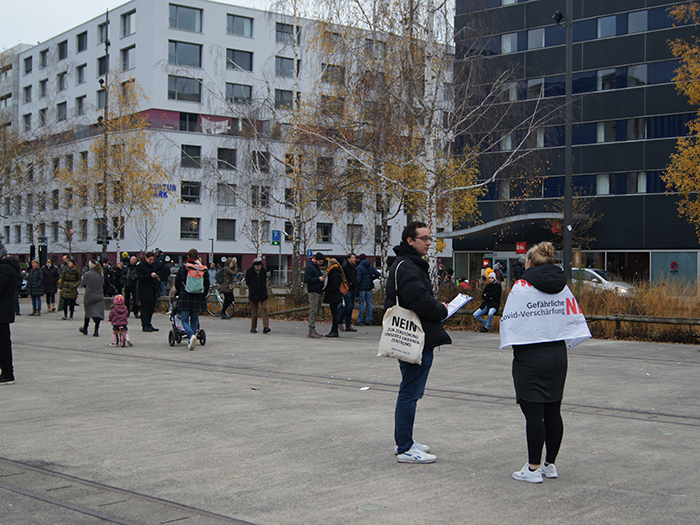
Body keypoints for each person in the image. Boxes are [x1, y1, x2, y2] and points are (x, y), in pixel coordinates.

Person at [506, 242, 573, 483]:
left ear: (530, 263)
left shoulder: (522, 287)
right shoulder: (562, 288)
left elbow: (511, 320)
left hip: (531, 355)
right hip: (557, 354)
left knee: (534, 414)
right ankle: (549, 464)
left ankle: (533, 468)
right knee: (553, 410)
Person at [385, 221, 451, 464]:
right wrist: (442, 309)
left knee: (410, 389)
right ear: (410, 240)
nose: (428, 242)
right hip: (415, 337)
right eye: (424, 238)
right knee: (410, 392)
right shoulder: (408, 267)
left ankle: (404, 440)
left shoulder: (406, 264)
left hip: (415, 336)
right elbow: (420, 303)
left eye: (429, 238)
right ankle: (404, 447)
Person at [173, 248, 209, 350]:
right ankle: (191, 339)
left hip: (186, 296)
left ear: (188, 256)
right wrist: (203, 293)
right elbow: (207, 283)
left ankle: (191, 335)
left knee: (184, 319)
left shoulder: (184, 268)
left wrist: (179, 292)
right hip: (198, 296)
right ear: (198, 257)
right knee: (194, 319)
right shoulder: (202, 269)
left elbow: (177, 281)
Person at [0, 243, 19, 385]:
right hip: (4, 311)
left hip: (2, 312)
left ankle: (7, 373)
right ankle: (7, 372)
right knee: (4, 343)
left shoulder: (4, 269)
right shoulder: (7, 268)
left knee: (4, 344)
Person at [79, 260, 105, 337]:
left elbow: (82, 284)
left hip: (89, 295)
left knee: (88, 312)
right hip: (99, 295)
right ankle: (96, 330)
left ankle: (85, 328)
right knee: (98, 313)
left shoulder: (87, 274)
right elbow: (103, 283)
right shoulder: (100, 274)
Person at [136, 251, 160, 332]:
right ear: (146, 258)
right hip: (144, 290)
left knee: (151, 308)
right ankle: (145, 324)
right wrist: (150, 276)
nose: (151, 261)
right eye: (150, 259)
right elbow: (140, 277)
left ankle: (149, 323)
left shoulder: (153, 265)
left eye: (153, 260)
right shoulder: (140, 266)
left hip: (152, 290)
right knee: (145, 309)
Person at [245, 257, 270, 334]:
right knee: (254, 312)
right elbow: (247, 282)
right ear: (254, 266)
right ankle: (253, 327)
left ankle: (266, 327)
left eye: (260, 265)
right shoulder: (249, 272)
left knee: (264, 309)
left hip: (263, 293)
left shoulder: (264, 270)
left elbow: (264, 280)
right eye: (257, 266)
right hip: (253, 294)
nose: (259, 267)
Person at [304, 252, 326, 338]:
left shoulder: (316, 267)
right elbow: (306, 279)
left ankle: (313, 330)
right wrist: (318, 279)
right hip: (313, 292)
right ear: (316, 260)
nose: (321, 264)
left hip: (318, 291)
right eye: (320, 262)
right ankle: (311, 330)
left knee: (316, 311)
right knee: (313, 311)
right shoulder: (310, 267)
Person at [355, 253, 380, 326]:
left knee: (361, 303)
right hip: (369, 287)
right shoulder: (370, 266)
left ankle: (360, 320)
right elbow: (378, 274)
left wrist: (357, 288)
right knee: (369, 303)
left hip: (362, 288)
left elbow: (358, 279)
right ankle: (369, 320)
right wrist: (371, 279)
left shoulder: (359, 267)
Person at [323, 257, 343, 338]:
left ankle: (334, 331)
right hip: (335, 295)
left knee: (334, 314)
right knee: (335, 313)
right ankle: (334, 330)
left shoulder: (334, 272)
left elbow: (334, 285)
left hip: (333, 295)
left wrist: (328, 290)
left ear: (330, 264)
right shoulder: (336, 271)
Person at [339, 253, 357, 332]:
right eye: (353, 258)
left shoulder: (354, 268)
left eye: (355, 258)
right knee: (348, 306)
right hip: (347, 289)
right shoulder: (345, 268)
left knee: (351, 308)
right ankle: (340, 320)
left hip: (353, 289)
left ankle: (348, 325)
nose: (354, 259)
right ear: (349, 259)